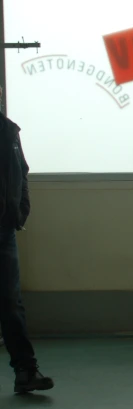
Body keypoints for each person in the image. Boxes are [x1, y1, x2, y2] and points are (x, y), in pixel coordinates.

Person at [0, 85, 55, 393]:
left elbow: (22, 172)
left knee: (10, 304)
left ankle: (25, 371)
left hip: (3, 232)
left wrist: (21, 210)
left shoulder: (8, 132)